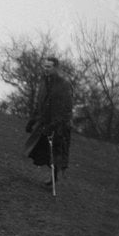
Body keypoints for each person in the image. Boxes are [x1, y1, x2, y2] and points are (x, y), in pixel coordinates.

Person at [24, 56, 73, 190]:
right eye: (44, 66)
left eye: (49, 67)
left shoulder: (64, 85)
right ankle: (52, 174)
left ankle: (54, 177)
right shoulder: (44, 81)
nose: (46, 69)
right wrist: (32, 121)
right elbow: (39, 102)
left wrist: (55, 125)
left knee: (56, 151)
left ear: (56, 68)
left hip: (59, 125)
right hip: (44, 121)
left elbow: (67, 109)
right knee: (40, 148)